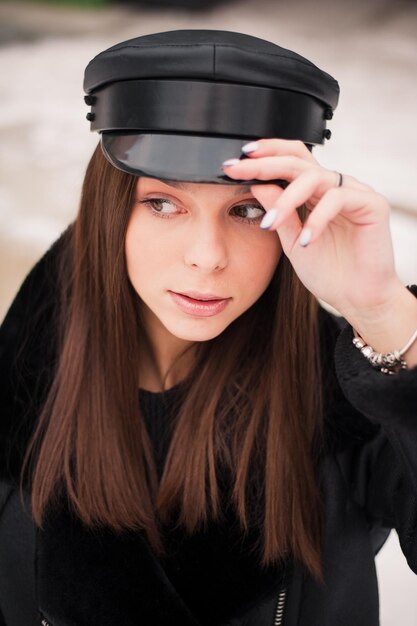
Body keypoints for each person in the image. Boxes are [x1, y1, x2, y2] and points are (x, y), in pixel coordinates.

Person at [0, 29, 416, 626]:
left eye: (247, 210)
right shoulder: (17, 392)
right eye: (164, 204)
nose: (206, 256)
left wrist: (382, 310)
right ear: (109, 211)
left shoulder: (346, 408)